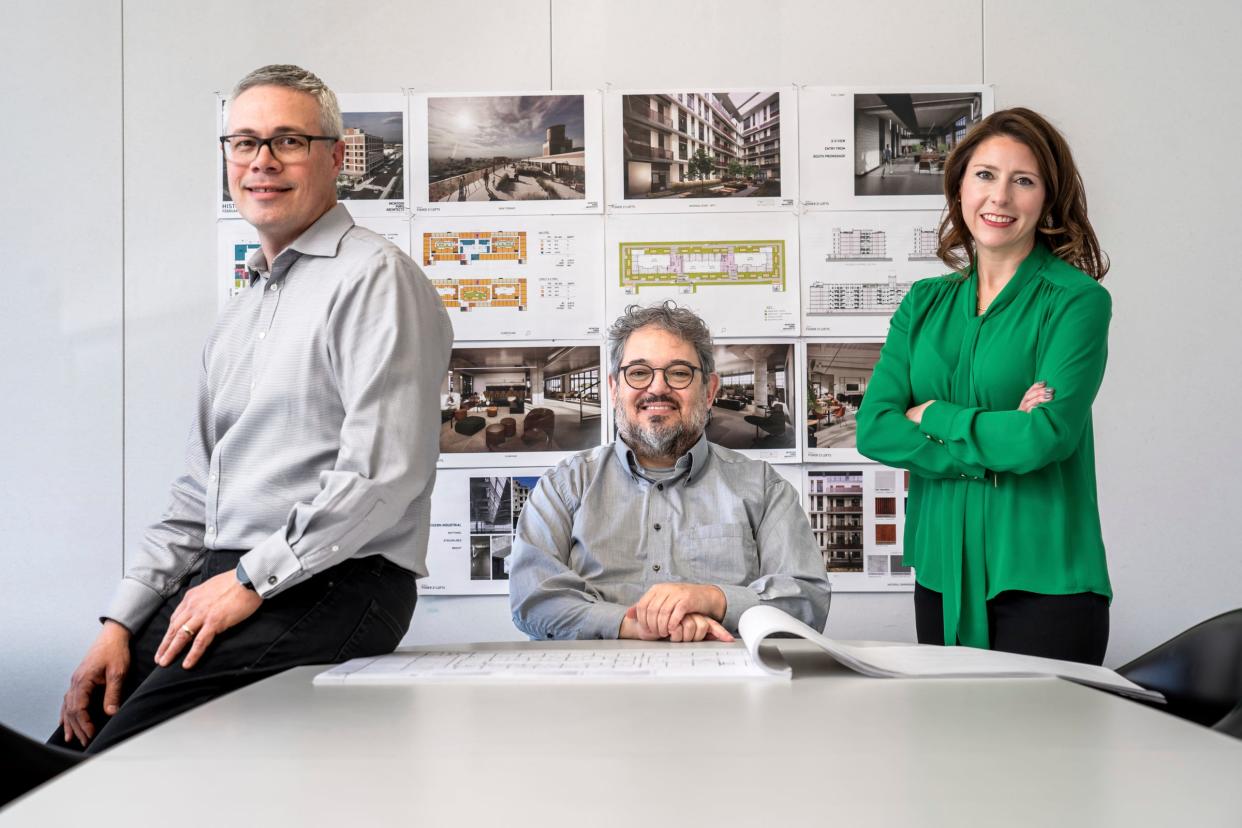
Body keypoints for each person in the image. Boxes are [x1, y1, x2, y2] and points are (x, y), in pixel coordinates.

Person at [53, 64, 453, 752]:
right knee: (69, 749)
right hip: (225, 580)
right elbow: (194, 498)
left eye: (287, 141)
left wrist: (247, 580)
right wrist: (118, 623)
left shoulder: (374, 278)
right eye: (244, 143)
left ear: (333, 156)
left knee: (119, 762)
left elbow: (382, 478)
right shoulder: (242, 312)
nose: (261, 162)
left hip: (334, 582)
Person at [855, 108, 1112, 664]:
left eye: (1023, 181)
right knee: (949, 750)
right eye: (985, 175)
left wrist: (934, 417)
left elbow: (1047, 438)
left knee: (1036, 753)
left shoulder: (1075, 302)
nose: (1000, 198)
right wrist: (1000, 435)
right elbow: (874, 429)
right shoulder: (924, 303)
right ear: (960, 186)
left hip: (1044, 580)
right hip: (941, 574)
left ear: (1047, 199)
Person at [509, 302, 831, 642]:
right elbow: (533, 599)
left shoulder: (763, 488)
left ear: (708, 391)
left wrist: (713, 599)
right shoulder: (564, 486)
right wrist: (632, 625)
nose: (658, 388)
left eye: (678, 373)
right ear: (615, 388)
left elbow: (808, 600)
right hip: (595, 688)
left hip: (729, 688)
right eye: (638, 372)